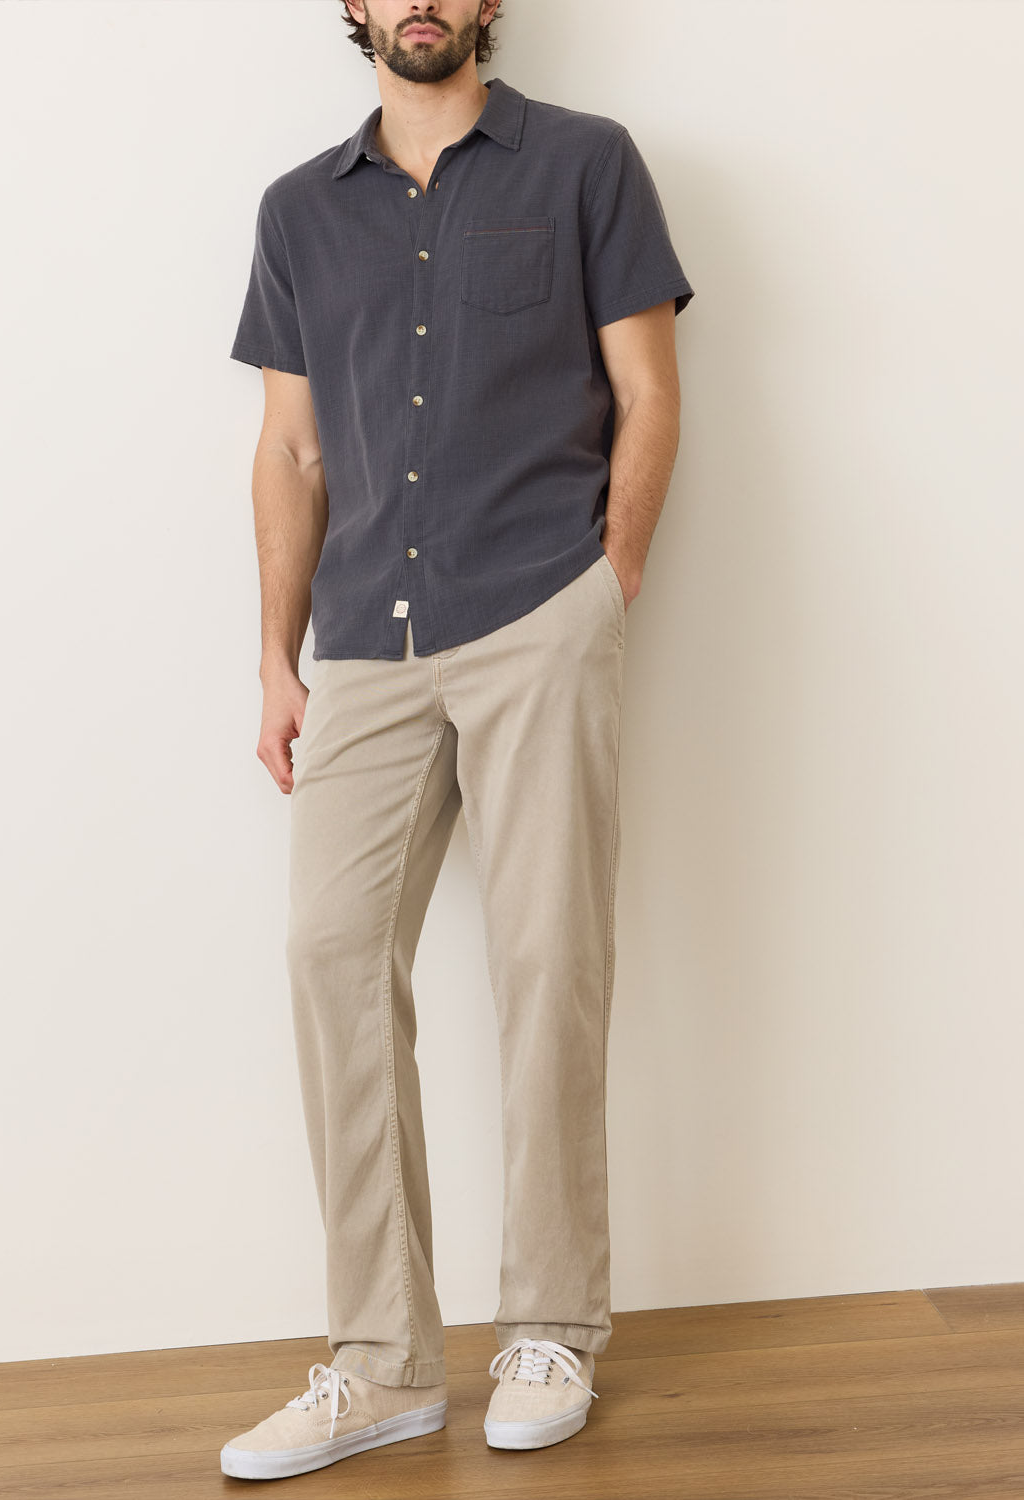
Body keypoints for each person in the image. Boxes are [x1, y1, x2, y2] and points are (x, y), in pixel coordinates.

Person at [220, 0, 694, 1481]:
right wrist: (273, 657)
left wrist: (602, 586)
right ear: (354, 10)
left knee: (550, 960)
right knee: (328, 957)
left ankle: (551, 1325)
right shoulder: (298, 210)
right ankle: (384, 1363)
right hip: (364, 638)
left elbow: (648, 392)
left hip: (533, 611)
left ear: (485, 6)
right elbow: (291, 446)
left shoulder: (586, 164)